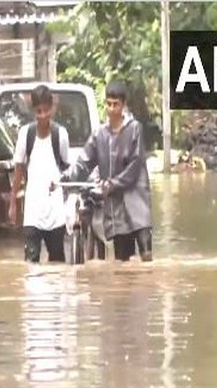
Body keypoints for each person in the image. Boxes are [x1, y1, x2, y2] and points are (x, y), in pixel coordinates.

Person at [60, 80, 153, 262]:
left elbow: (134, 166)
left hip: (137, 204)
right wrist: (66, 177)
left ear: (123, 105)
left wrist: (112, 184)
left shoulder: (135, 129)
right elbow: (84, 161)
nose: (112, 109)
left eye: (116, 104)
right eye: (109, 104)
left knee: (146, 258)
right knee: (122, 262)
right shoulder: (99, 134)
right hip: (115, 209)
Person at [8, 84, 73, 263]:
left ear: (52, 108)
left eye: (46, 110)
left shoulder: (60, 135)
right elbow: (19, 170)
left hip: (55, 212)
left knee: (57, 263)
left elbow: (67, 169)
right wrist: (13, 204)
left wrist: (70, 204)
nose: (43, 115)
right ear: (33, 111)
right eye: (39, 111)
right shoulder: (25, 134)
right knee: (31, 263)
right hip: (32, 211)